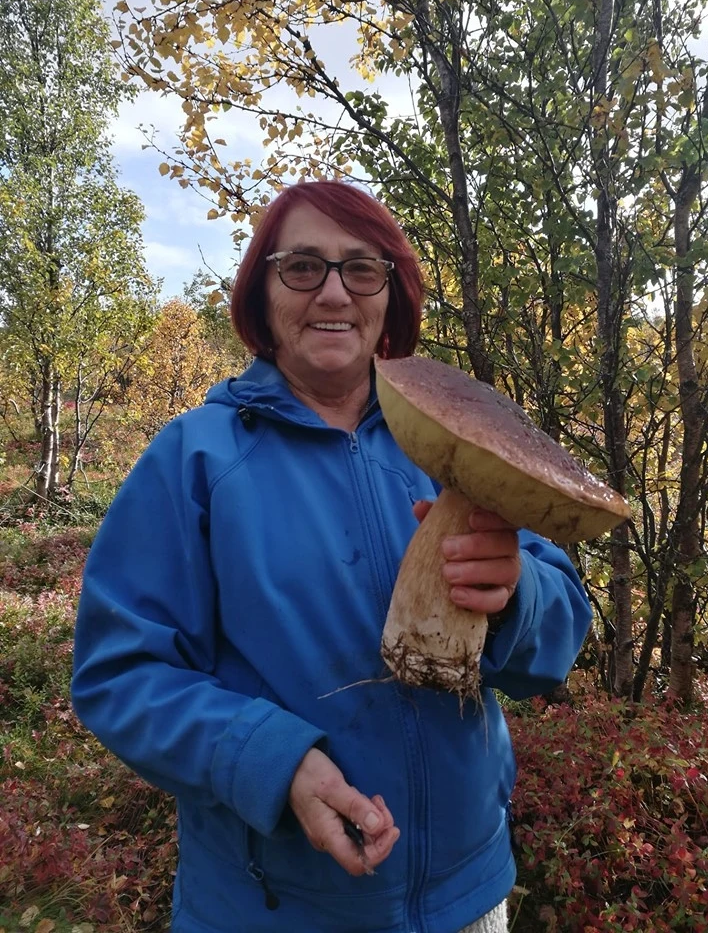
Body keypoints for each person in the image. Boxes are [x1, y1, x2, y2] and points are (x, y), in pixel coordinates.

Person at [71, 180, 592, 933]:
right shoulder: (196, 458)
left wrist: (519, 597)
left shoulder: (457, 439)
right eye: (303, 266)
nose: (335, 292)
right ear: (264, 293)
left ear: (390, 293)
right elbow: (121, 673)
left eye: (362, 268)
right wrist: (272, 763)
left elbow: (562, 626)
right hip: (271, 909)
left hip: (468, 896)